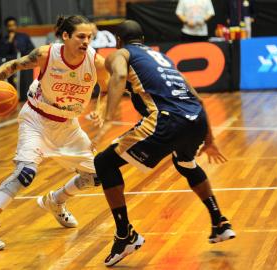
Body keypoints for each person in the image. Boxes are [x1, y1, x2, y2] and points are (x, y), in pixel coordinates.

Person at [93, 20, 235, 267]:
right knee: (185, 163)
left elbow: (119, 75)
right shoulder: (162, 59)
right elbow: (198, 99)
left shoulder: (121, 53)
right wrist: (209, 140)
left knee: (103, 162)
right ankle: (219, 221)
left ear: (118, 40)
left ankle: (125, 235)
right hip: (196, 118)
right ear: (144, 39)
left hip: (166, 120)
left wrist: (108, 118)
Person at [0, 15, 109, 251]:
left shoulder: (97, 62)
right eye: (81, 36)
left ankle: (56, 201)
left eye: (89, 37)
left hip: (68, 126)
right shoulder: (47, 54)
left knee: (96, 176)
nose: (86, 41)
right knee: (25, 173)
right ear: (66, 36)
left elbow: (105, 88)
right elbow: (14, 65)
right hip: (36, 119)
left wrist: (100, 110)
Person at [0, 16, 35, 100]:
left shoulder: (24, 36)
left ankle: (25, 95)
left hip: (23, 61)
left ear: (16, 26)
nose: (12, 27)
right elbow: (2, 53)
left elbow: (32, 49)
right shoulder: (3, 39)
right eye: (9, 25)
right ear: (6, 27)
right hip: (10, 62)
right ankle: (12, 95)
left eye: (13, 25)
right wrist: (9, 41)